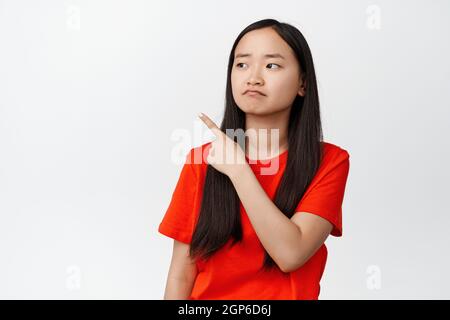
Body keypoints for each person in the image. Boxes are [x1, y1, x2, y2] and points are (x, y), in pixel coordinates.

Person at [158, 18, 350, 300]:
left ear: (302, 83)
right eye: (242, 64)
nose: (253, 77)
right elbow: (181, 273)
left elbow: (291, 253)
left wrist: (239, 171)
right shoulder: (202, 160)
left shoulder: (330, 161)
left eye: (271, 65)